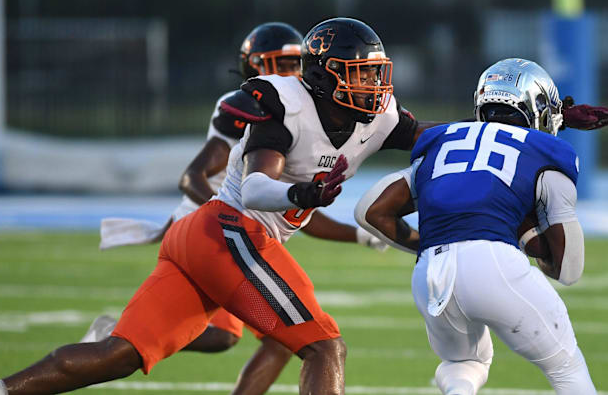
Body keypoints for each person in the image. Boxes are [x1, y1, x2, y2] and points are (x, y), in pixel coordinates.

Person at [0, 19, 608, 395]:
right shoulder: (282, 101)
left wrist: (550, 117)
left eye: (377, 74)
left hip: (206, 239)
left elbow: (457, 144)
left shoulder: (380, 114)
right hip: (228, 226)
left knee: (126, 351)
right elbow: (264, 184)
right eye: (361, 74)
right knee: (324, 344)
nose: (375, 86)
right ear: (326, 75)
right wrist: (303, 193)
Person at [90, 21, 387, 395]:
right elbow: (196, 177)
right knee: (300, 340)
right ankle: (117, 339)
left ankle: (109, 345)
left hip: (240, 231)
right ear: (254, 66)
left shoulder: (304, 110)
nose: (289, 73)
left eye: (294, 63)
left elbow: (296, 210)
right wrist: (218, 215)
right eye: (278, 63)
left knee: (276, 339)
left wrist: (357, 234)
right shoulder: (260, 105)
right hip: (222, 232)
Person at [353, 58, 608, 394]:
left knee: (463, 364)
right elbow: (569, 269)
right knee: (566, 366)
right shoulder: (548, 151)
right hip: (494, 265)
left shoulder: (443, 140)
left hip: (431, 272)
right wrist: (524, 232)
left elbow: (370, 211)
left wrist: (429, 242)